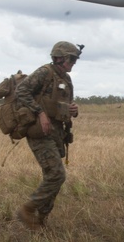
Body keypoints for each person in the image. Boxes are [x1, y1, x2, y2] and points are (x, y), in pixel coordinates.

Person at [14, 41, 82, 230]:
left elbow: (65, 104)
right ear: (60, 58)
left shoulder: (66, 79)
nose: (73, 63)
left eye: (75, 59)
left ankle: (40, 220)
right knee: (57, 175)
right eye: (72, 58)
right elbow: (21, 91)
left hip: (57, 132)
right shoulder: (44, 72)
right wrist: (40, 112)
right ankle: (27, 210)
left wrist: (73, 110)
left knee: (52, 176)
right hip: (39, 130)